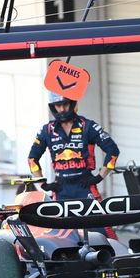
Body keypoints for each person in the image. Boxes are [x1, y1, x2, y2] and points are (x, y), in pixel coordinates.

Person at [28, 92, 120, 239]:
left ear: (72, 103)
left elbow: (113, 151)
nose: (62, 109)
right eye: (58, 105)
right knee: (59, 236)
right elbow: (32, 159)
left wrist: (99, 177)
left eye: (65, 104)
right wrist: (42, 184)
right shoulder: (47, 130)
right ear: (53, 107)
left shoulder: (88, 126)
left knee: (105, 231)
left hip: (85, 187)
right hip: (61, 190)